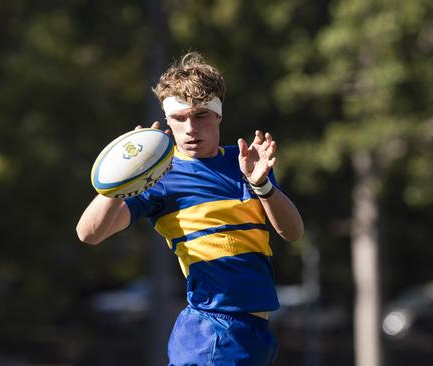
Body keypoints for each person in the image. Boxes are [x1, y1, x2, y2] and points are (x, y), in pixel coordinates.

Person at [76, 52, 304, 366]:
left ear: (219, 115)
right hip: (213, 331)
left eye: (200, 116)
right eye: (180, 118)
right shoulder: (160, 178)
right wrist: (122, 177)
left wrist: (262, 184)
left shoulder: (247, 164)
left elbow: (292, 232)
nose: (190, 128)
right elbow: (89, 233)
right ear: (168, 121)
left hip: (254, 333)